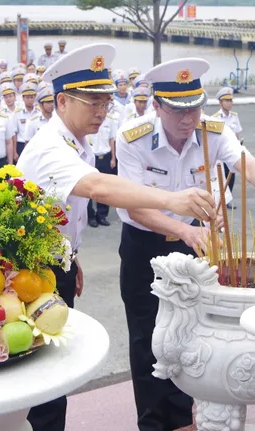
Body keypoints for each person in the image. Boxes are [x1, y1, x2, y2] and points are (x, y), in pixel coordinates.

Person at [18, 43, 217, 431]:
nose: (101, 111)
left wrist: (70, 256)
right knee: (42, 372)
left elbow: (57, 212)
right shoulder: (49, 147)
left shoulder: (77, 142)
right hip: (31, 272)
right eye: (91, 101)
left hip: (51, 263)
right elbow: (98, 189)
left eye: (105, 101)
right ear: (61, 101)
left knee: (54, 363)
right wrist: (173, 200)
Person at [116, 58, 255, 431]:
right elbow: (134, 207)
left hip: (195, 242)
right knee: (146, 336)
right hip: (145, 245)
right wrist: (183, 230)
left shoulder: (214, 130)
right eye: (178, 110)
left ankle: (182, 420)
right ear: (157, 106)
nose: (188, 118)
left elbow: (245, 164)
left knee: (189, 333)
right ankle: (151, 422)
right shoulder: (131, 138)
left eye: (194, 107)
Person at [87, 102, 119, 228]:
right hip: (92, 156)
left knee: (104, 188)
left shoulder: (110, 120)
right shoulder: (89, 118)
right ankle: (90, 216)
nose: (103, 109)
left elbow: (112, 139)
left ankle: (102, 215)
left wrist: (113, 157)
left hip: (105, 156)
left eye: (105, 106)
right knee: (89, 188)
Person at [213, 86, 243, 195]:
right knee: (221, 176)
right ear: (220, 103)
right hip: (221, 153)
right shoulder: (215, 118)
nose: (229, 103)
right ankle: (222, 199)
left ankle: (228, 198)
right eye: (227, 101)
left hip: (232, 151)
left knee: (232, 175)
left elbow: (237, 134)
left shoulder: (234, 117)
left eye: (230, 100)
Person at [12, 82, 38, 158]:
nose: (29, 100)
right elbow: (14, 134)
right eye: (27, 97)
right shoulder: (17, 113)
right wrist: (14, 151)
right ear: (23, 98)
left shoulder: (39, 112)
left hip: (35, 144)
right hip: (21, 144)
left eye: (31, 97)